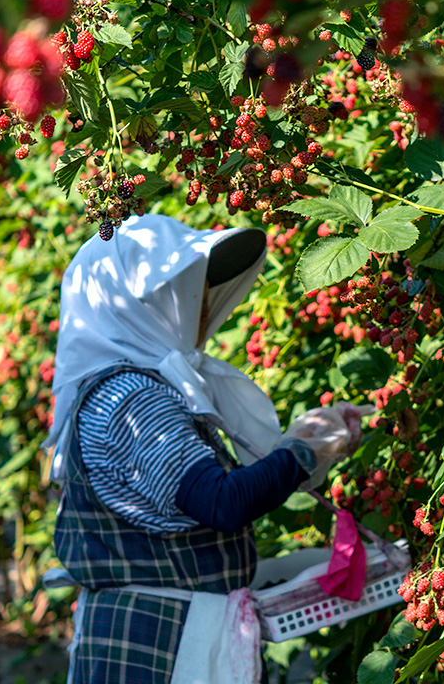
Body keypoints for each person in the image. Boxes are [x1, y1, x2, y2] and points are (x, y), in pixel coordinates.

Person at [45, 214, 365, 684]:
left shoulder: (131, 387)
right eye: (184, 290)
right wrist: (302, 451)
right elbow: (221, 501)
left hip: (156, 632)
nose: (202, 303)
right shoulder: (130, 399)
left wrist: (305, 441)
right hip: (158, 646)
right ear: (142, 303)